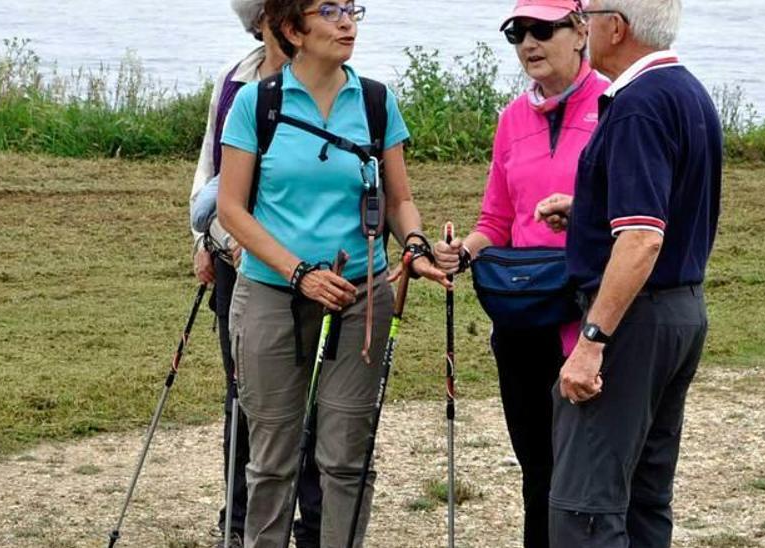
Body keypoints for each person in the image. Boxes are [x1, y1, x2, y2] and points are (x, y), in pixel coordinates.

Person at [216, 1, 449, 546]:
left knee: (347, 458)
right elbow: (231, 210)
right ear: (294, 29)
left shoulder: (374, 101)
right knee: (272, 459)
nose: (347, 22)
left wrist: (413, 244)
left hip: (361, 296)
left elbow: (400, 200)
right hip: (272, 292)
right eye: (330, 10)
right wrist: (298, 273)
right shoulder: (255, 104)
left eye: (351, 9)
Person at [533, 0, 722, 545]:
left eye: (587, 14)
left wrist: (592, 340)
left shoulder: (638, 104)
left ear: (616, 27)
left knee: (585, 505)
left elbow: (642, 238)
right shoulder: (687, 91)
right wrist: (590, 207)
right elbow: (674, 203)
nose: (582, 25)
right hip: (682, 309)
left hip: (636, 318)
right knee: (644, 497)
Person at [433, 1, 606, 545]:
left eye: (542, 29)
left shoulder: (616, 104)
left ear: (581, 31)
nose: (528, 43)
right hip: (524, 318)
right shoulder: (512, 118)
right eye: (516, 33)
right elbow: (497, 221)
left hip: (591, 317)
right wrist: (464, 252)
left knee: (590, 474)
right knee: (538, 470)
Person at [187, 1, 322, 546]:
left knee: (317, 401)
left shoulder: (327, 81)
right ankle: (240, 523)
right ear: (267, 18)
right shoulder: (235, 85)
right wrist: (211, 241)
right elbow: (210, 180)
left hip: (313, 271)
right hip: (240, 269)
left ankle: (314, 521)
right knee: (244, 397)